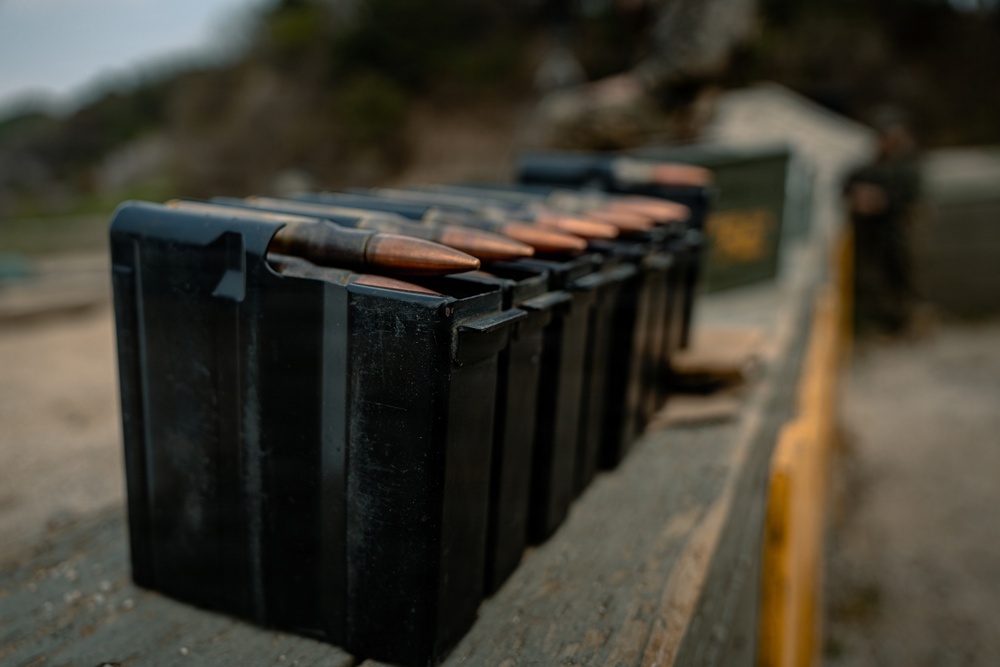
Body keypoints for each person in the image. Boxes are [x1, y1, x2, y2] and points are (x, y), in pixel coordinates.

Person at [844, 108, 922, 337]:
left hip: (896, 233)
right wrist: (858, 196)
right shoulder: (870, 167)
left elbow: (908, 197)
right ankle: (878, 324)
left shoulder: (906, 168)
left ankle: (903, 323)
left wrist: (883, 200)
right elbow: (849, 184)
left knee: (900, 278)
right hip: (870, 234)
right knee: (870, 280)